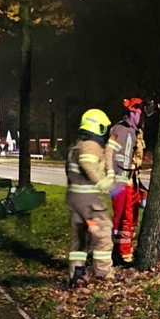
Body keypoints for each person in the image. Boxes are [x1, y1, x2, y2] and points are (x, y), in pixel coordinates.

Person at [66, 109, 116, 288]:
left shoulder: (76, 146)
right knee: (102, 234)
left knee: (80, 239)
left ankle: (76, 274)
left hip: (75, 202)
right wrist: (103, 182)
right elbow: (88, 163)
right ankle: (103, 275)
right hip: (90, 204)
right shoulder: (90, 146)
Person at [105, 97, 147, 265]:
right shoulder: (121, 129)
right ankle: (120, 254)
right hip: (120, 180)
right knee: (123, 218)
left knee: (131, 218)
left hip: (132, 180)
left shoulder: (135, 131)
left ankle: (124, 251)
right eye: (140, 114)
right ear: (132, 112)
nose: (142, 118)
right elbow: (109, 151)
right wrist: (110, 173)